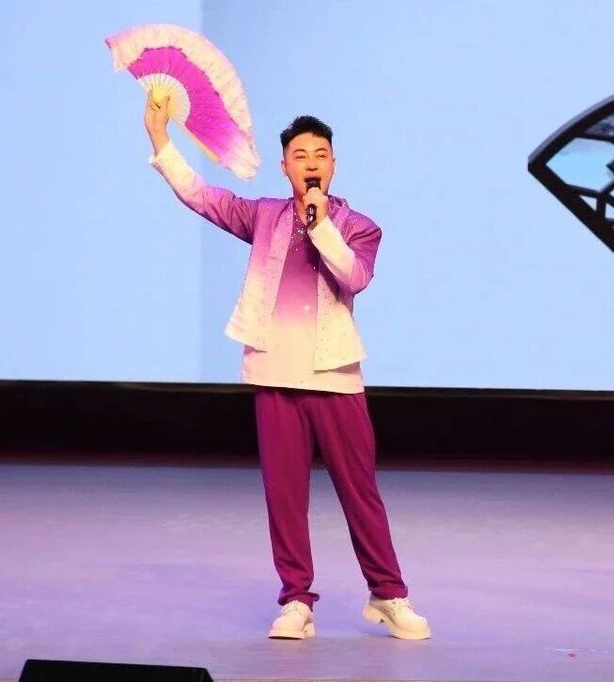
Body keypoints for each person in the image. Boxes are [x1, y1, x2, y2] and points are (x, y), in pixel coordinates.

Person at [143, 91, 430, 641]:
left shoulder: (360, 226)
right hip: (274, 372)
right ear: (284, 166)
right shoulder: (263, 217)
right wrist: (160, 138)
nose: (311, 163)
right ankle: (297, 600)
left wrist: (321, 225)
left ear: (334, 163)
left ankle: (388, 594)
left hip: (334, 376)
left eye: (320, 154)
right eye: (300, 155)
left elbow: (353, 277)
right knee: (285, 496)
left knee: (360, 493)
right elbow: (200, 195)